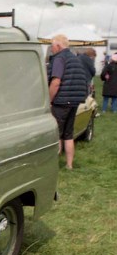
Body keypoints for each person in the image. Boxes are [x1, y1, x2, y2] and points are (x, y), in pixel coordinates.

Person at [47, 34, 89, 169]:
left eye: (52, 46)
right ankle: (69, 165)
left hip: (61, 101)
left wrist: (49, 100)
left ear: (58, 46)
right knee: (68, 134)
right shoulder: (75, 58)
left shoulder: (60, 58)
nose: (51, 49)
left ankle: (53, 165)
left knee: (56, 133)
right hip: (74, 101)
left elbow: (56, 82)